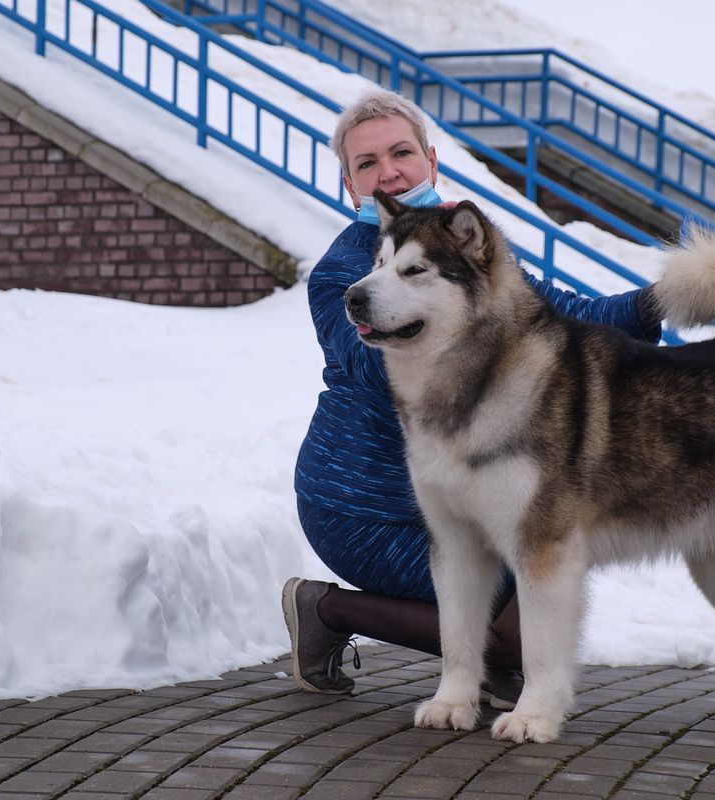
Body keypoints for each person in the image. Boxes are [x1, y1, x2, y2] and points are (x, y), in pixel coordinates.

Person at [283, 89, 662, 708]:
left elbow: (567, 315)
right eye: (368, 164)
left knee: (550, 562)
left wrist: (659, 303)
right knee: (516, 612)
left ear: (432, 162)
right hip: (362, 504)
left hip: (468, 494)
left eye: (402, 153)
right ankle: (324, 608)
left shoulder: (464, 251)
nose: (390, 172)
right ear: (352, 187)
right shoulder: (344, 273)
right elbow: (371, 360)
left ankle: (495, 665)